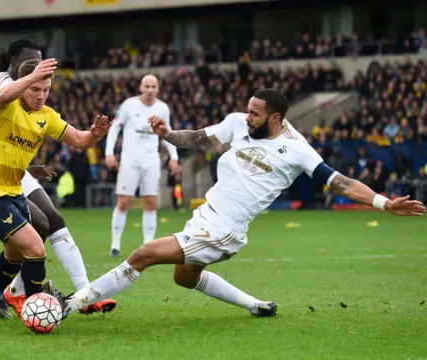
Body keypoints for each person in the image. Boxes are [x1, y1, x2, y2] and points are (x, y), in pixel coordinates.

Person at [44, 88, 426, 319]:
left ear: (275, 118)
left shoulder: (296, 151)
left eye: (256, 113)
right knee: (183, 278)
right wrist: (166, 134)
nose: (248, 115)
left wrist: (382, 202)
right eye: (248, 109)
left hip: (224, 230)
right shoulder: (237, 124)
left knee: (143, 253)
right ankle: (257, 305)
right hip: (205, 218)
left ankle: (71, 304)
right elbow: (195, 138)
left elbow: (339, 181)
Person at [0, 38, 116, 315]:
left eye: (46, 88)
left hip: (12, 184)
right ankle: (37, 302)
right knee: (35, 242)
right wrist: (28, 82)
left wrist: (94, 134)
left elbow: (79, 140)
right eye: (35, 87)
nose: (41, 93)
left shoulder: (46, 114)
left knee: (19, 247)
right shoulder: (3, 94)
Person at [105, 74, 181, 257]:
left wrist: (174, 156)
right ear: (140, 88)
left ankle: (148, 245)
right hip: (130, 160)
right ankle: (115, 243)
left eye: (153, 87)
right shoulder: (128, 105)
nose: (150, 90)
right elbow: (115, 127)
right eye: (147, 86)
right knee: (123, 201)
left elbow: (166, 133)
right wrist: (109, 152)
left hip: (151, 161)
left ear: (158, 89)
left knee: (150, 202)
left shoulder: (162, 108)